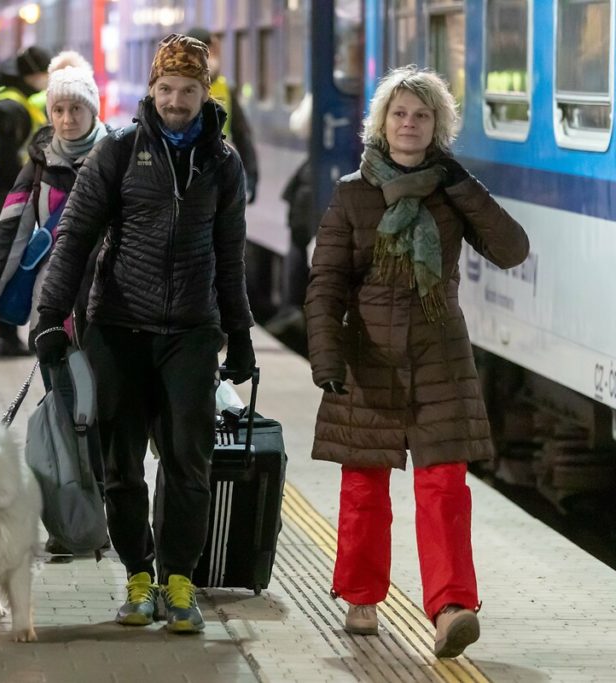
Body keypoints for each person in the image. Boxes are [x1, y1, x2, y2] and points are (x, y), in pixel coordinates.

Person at [32, 34, 255, 633]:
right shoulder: (121, 152)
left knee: (189, 459)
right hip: (118, 329)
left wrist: (240, 332)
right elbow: (74, 237)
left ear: (205, 93)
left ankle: (178, 582)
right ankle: (138, 577)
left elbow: (230, 254)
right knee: (120, 463)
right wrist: (49, 318)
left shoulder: (223, 162)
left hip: (192, 330)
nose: (176, 101)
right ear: (150, 91)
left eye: (187, 91)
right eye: (166, 90)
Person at [305, 66, 529, 658]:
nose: (409, 124)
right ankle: (360, 595)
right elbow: (326, 282)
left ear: (438, 127)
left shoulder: (451, 193)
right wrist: (325, 354)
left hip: (439, 358)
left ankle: (451, 608)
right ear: (382, 123)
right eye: (400, 113)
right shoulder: (353, 193)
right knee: (364, 487)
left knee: (445, 487)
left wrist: (463, 186)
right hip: (368, 358)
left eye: (422, 115)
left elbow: (512, 249)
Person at [0, 51, 111, 555]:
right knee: (66, 414)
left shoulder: (118, 159)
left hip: (113, 311)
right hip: (57, 313)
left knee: (109, 418)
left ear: (94, 110)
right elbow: (9, 236)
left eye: (76, 109)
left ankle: (112, 518)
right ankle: (74, 524)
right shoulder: (40, 164)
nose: (67, 120)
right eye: (59, 110)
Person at [0, 45, 52, 357]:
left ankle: (2, 334)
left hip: (9, 189)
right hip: (5, 189)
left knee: (13, 258)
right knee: (9, 259)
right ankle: (1, 334)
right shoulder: (9, 105)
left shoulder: (16, 100)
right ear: (34, 73)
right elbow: (12, 156)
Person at [185, 28, 258, 204]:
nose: (213, 57)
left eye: (214, 51)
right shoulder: (173, 89)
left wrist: (252, 174)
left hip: (216, 176)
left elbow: (242, 134)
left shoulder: (225, 89)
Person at [268, 93, 315, 336]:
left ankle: (292, 306)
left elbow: (299, 124)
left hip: (316, 176)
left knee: (299, 235)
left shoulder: (337, 80)